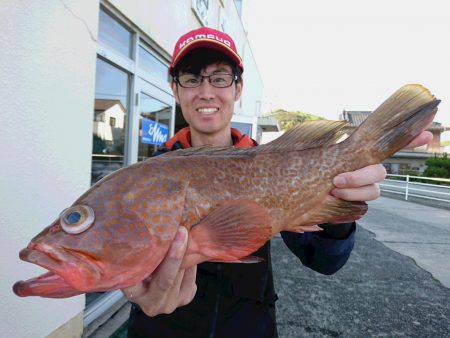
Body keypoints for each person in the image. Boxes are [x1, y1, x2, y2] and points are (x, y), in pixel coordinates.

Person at [123, 27, 433, 338]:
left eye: (219, 78)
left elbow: (325, 261)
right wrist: (138, 289)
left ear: (238, 88)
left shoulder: (273, 162)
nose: (205, 92)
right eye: (191, 79)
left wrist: (337, 205)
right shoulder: (145, 177)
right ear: (175, 90)